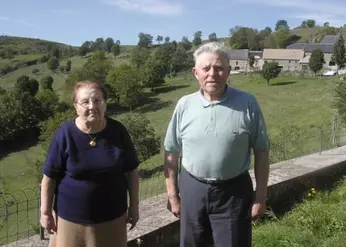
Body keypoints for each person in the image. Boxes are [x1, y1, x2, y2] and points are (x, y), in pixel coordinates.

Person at [163, 42, 270, 247]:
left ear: (229, 71)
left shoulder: (248, 103)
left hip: (234, 192)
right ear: (196, 72)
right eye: (206, 68)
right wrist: (173, 195)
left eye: (219, 68)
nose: (213, 73)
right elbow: (171, 152)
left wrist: (261, 197)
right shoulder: (184, 105)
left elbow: (262, 151)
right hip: (193, 188)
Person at [40, 81, 140, 247]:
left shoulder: (118, 131)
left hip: (112, 219)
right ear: (76, 106)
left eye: (97, 100)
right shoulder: (65, 134)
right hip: (70, 221)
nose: (92, 106)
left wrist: (134, 208)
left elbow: (132, 171)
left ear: (105, 104)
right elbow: (49, 178)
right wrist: (45, 212)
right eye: (85, 102)